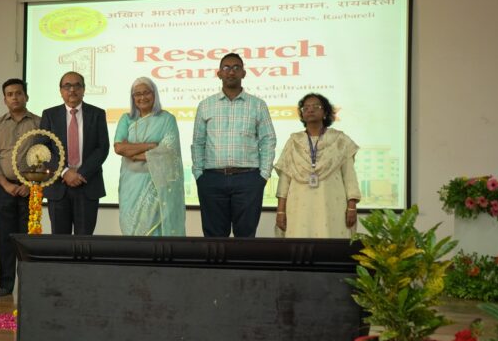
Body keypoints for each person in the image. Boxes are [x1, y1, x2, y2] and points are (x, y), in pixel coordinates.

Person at [191, 53, 276, 237]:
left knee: (245, 238)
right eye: (226, 68)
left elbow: (268, 140)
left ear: (243, 73)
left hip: (248, 180)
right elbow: (198, 142)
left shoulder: (258, 105)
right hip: (212, 179)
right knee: (214, 240)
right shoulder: (205, 105)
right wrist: (199, 174)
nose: (231, 72)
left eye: (236, 67)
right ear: (219, 74)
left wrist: (263, 175)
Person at [274, 93, 361, 238]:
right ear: (302, 114)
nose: (310, 109)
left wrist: (352, 207)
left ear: (325, 112)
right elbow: (285, 179)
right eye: (306, 107)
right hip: (299, 206)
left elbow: (349, 176)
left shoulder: (340, 140)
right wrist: (281, 210)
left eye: (316, 106)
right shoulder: (294, 141)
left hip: (332, 204)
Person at [0, 79, 40, 297]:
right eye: (10, 94)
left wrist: (30, 184)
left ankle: (29, 283)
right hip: (3, 188)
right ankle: (6, 284)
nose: (14, 97)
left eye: (18, 93)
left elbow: (46, 155)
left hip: (31, 190)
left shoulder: (39, 123)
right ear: (4, 99)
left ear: (26, 96)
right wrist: (5, 183)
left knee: (28, 239)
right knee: (5, 238)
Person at [113, 77, 185, 236]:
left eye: (146, 92)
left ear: (154, 94)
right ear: (133, 98)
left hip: (157, 183)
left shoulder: (167, 119)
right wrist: (150, 146)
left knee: (157, 231)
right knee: (131, 229)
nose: (142, 97)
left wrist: (133, 153)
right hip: (131, 183)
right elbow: (119, 148)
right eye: (137, 94)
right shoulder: (126, 119)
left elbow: (168, 151)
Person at [39, 71, 109, 235]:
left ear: (84, 89)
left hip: (87, 184)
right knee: (60, 240)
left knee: (84, 241)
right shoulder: (49, 115)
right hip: (58, 187)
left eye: (77, 85)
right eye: (67, 86)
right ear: (60, 90)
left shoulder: (97, 114)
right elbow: (43, 148)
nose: (72, 90)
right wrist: (65, 172)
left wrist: (80, 173)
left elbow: (102, 148)